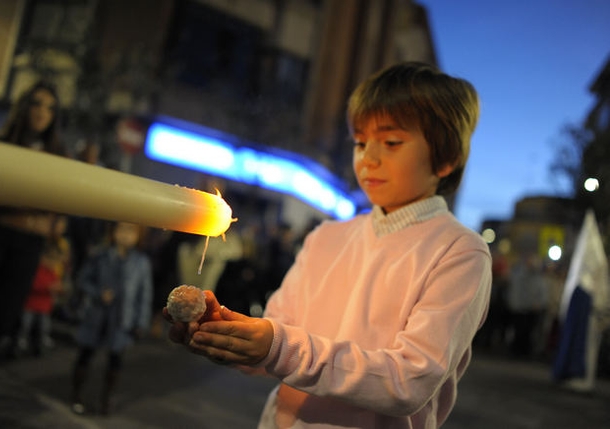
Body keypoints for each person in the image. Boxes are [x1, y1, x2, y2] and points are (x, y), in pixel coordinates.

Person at [164, 61, 492, 428]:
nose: (368, 158)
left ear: (446, 158)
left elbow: (409, 380)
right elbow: (278, 332)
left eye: (392, 142)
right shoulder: (327, 237)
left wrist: (277, 347)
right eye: (360, 142)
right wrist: (231, 337)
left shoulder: (458, 251)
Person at [0, 81, 66, 429]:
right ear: (24, 106)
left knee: (0, 321)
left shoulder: (57, 155)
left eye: (50, 107)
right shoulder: (1, 145)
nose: (42, 111)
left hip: (27, 247)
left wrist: (41, 221)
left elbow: (61, 213)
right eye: (37, 103)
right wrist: (29, 216)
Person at [70, 222, 153, 416]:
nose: (125, 234)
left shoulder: (141, 262)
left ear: (139, 235)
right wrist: (99, 293)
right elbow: (82, 279)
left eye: (131, 230)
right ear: (113, 232)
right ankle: (77, 394)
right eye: (121, 229)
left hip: (122, 318)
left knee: (115, 361)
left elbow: (144, 294)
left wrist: (141, 322)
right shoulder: (100, 255)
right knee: (85, 354)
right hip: (96, 314)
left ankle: (107, 399)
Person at [14, 216, 70, 356]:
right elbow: (31, 284)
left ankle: (40, 341)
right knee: (24, 325)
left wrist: (60, 289)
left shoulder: (53, 272)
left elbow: (59, 284)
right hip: (31, 304)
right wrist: (49, 288)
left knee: (43, 326)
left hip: (44, 306)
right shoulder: (36, 269)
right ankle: (20, 341)